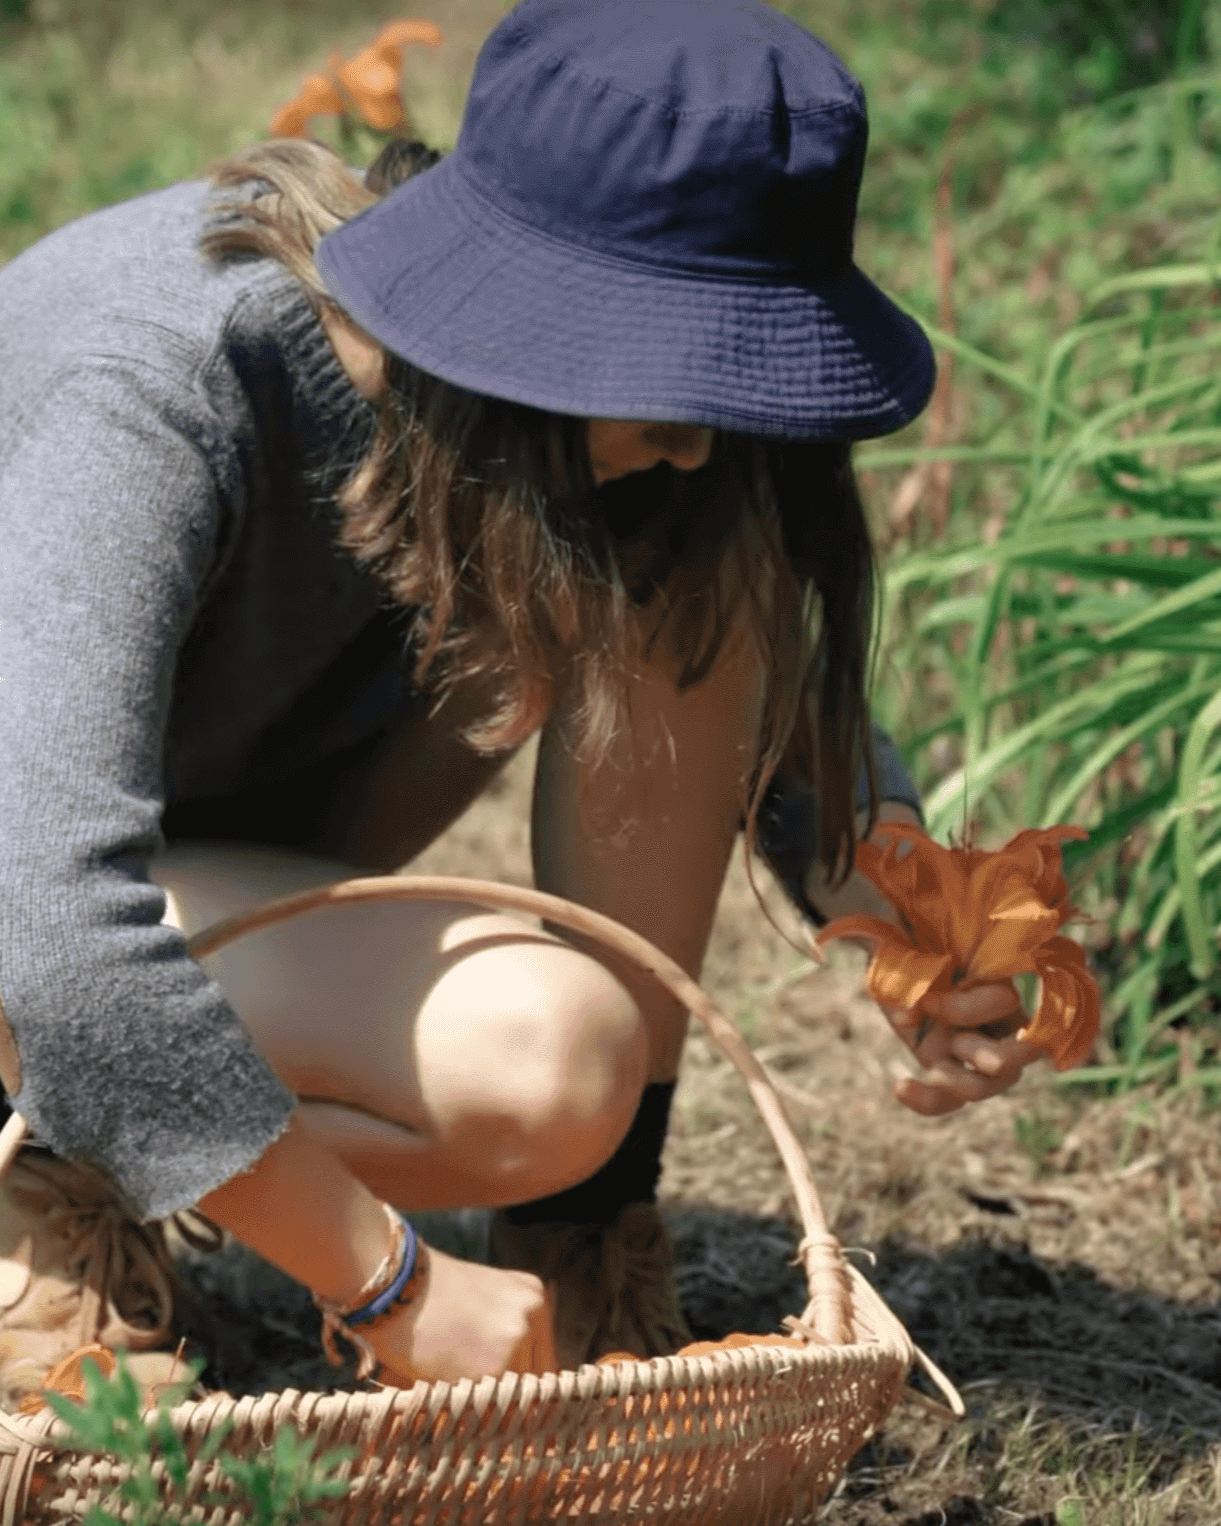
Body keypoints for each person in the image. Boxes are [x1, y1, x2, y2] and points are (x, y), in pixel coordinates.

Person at [0, 0, 1042, 1396]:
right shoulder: (163, 384)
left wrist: (899, 898)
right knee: (82, 976)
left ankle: (580, 1244)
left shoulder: (559, 437)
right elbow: (50, 916)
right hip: (36, 899)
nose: (695, 434)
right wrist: (391, 1279)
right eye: (677, 375)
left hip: (139, 890)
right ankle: (48, 1175)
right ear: (521, 317)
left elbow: (744, 682)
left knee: (563, 1054)